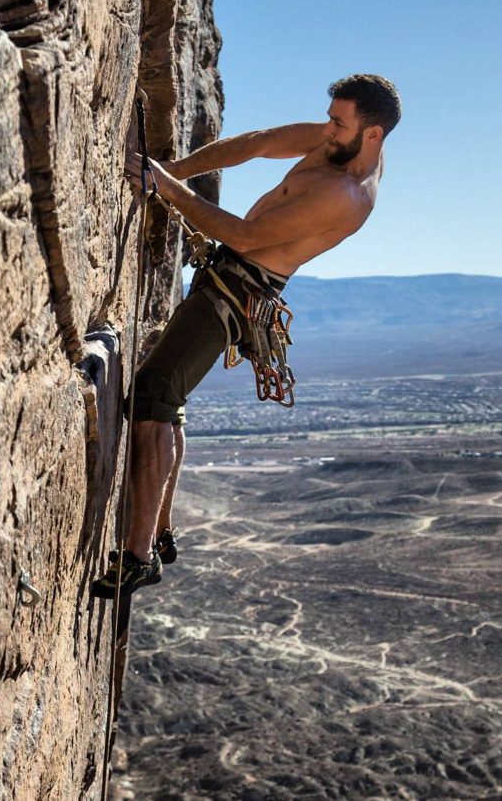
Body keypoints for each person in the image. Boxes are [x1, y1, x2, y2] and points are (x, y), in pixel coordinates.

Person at [91, 74, 401, 598]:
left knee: (153, 396)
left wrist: (166, 186)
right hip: (227, 279)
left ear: (372, 134)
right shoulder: (337, 140)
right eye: (329, 117)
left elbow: (245, 236)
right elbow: (256, 145)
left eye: (338, 122)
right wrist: (172, 170)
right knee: (168, 397)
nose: (326, 129)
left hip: (236, 293)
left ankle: (139, 555)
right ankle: (159, 530)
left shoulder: (347, 196)